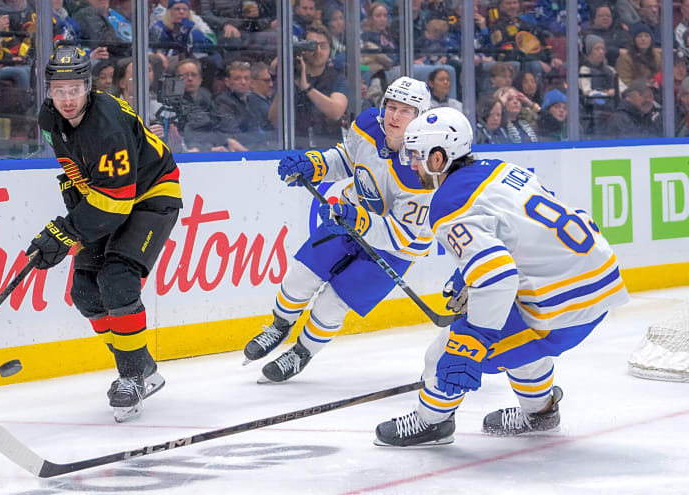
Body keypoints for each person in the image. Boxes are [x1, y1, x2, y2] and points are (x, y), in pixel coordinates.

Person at [373, 107, 629, 447]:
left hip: (562, 305)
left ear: (438, 158)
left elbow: (497, 278)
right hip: (595, 280)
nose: (411, 165)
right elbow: (518, 231)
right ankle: (540, 413)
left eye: (417, 156)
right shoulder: (497, 168)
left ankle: (432, 422)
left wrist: (472, 342)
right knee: (517, 334)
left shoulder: (449, 202)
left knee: (446, 351)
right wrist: (467, 276)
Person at [242, 77, 433, 383]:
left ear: (420, 117)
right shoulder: (369, 124)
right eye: (391, 107)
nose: (395, 116)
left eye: (406, 111)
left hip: (395, 247)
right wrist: (313, 165)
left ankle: (301, 353)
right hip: (348, 219)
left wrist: (360, 220)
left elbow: (402, 234)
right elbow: (346, 158)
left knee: (333, 303)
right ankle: (278, 327)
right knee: (299, 277)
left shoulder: (423, 168)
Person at [33, 44, 182, 422]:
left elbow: (117, 202)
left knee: (117, 280)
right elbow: (76, 168)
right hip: (108, 197)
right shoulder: (49, 120)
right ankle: (141, 364)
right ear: (48, 89)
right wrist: (74, 204)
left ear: (89, 87)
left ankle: (131, 377)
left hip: (151, 195)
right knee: (85, 291)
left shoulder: (107, 122)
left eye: (75, 89)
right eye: (59, 90)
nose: (67, 99)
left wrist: (66, 231)